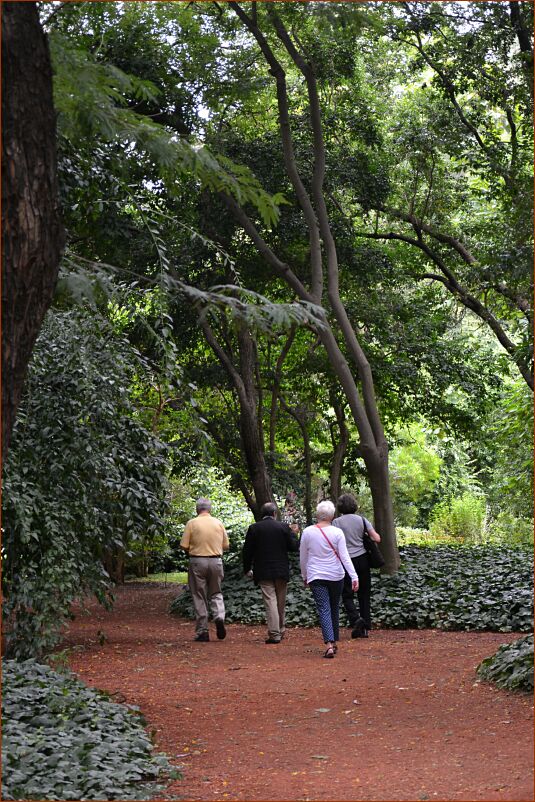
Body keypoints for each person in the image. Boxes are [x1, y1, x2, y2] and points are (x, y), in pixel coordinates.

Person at [300, 500, 358, 658]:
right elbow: (345, 557)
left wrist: (304, 575)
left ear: (318, 515)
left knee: (324, 608)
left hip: (316, 575)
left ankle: (329, 644)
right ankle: (333, 641)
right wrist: (354, 576)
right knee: (334, 607)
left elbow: (303, 557)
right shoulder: (337, 533)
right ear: (332, 516)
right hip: (336, 575)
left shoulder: (307, 532)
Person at [242, 502, 299, 644]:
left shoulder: (254, 528)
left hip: (263, 570)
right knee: (280, 601)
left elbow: (247, 551)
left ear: (263, 514)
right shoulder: (283, 527)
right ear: (274, 513)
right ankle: (281, 629)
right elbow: (294, 547)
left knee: (270, 601)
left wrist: (247, 568)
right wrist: (294, 534)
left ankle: (275, 634)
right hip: (281, 569)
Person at [333, 493, 382, 639]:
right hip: (363, 560)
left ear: (340, 506)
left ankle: (356, 619)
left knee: (347, 594)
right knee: (364, 594)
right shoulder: (362, 520)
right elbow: (377, 538)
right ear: (354, 505)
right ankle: (365, 628)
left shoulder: (336, 522)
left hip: (346, 562)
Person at [180, 497, 229, 642]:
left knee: (199, 595)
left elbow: (184, 545)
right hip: (216, 561)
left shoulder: (192, 523)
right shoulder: (218, 523)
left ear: (197, 509)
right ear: (210, 509)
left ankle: (203, 631)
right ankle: (219, 616)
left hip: (197, 561)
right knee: (216, 592)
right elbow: (225, 545)